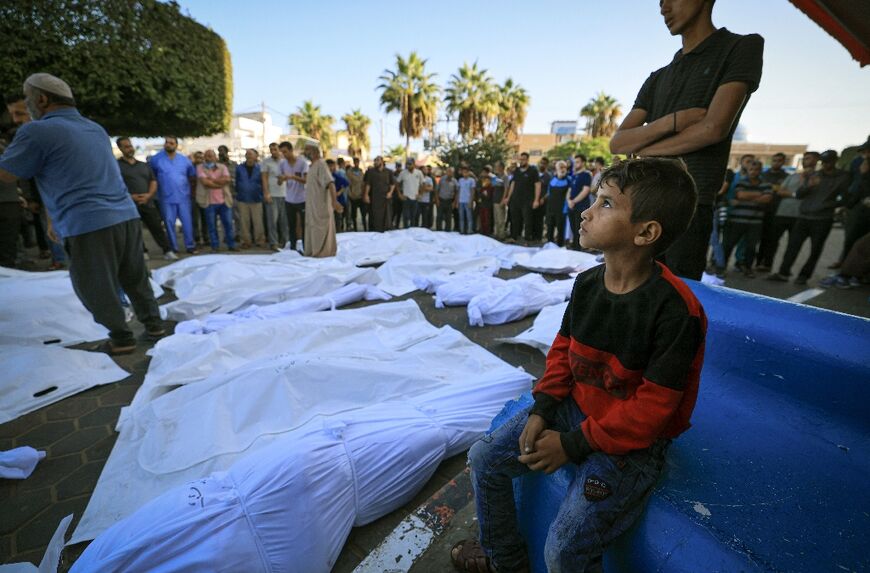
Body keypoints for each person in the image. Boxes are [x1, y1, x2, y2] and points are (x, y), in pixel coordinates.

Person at [451, 157, 705, 573]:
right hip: (575, 409)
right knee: (484, 459)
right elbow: (563, 351)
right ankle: (504, 560)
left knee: (563, 550)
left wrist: (572, 444)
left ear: (646, 232)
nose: (585, 211)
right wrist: (543, 409)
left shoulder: (677, 311)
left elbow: (652, 411)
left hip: (632, 444)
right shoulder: (587, 284)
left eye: (605, 203)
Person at [0, 73, 163, 354]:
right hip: (124, 215)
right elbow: (73, 174)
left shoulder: (36, 131)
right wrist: (53, 218)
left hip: (88, 223)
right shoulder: (95, 128)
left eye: (27, 101)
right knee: (135, 276)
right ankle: (154, 325)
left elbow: (6, 174)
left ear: (41, 99)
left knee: (95, 285)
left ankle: (122, 339)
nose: (23, 111)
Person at [611, 0, 764, 280]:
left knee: (678, 300)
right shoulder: (657, 78)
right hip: (644, 201)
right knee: (634, 290)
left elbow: (713, 128)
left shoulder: (741, 47)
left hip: (690, 203)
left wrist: (644, 150)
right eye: (659, 2)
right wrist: (675, 121)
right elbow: (618, 142)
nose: (663, 8)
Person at [768, 150, 850, 285]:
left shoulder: (842, 177)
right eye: (823, 162)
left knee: (815, 249)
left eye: (828, 162)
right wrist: (809, 185)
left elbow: (846, 199)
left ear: (835, 161)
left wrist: (828, 204)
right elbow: (799, 194)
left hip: (823, 218)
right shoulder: (815, 175)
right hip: (804, 216)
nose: (825, 165)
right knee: (792, 246)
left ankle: (804, 276)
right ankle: (783, 272)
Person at [115, 137, 175, 261]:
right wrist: (130, 196)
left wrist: (148, 195)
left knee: (157, 228)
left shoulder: (143, 165)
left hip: (147, 202)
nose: (129, 148)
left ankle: (167, 250)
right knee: (135, 231)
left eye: (130, 145)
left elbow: (153, 181)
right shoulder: (116, 166)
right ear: (120, 148)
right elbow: (115, 185)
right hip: (129, 204)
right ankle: (142, 251)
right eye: (126, 146)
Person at [761, 152, 820, 275]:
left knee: (792, 245)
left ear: (816, 161)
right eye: (804, 158)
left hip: (799, 216)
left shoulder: (818, 178)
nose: (805, 161)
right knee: (772, 241)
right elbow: (780, 192)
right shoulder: (792, 176)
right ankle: (767, 264)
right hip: (782, 213)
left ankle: (784, 270)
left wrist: (795, 192)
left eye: (808, 159)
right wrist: (795, 195)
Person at [721, 160, 772, 277]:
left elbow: (768, 198)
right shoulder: (741, 182)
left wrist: (747, 197)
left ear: (760, 171)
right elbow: (741, 195)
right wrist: (759, 195)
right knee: (729, 244)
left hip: (755, 222)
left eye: (756, 170)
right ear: (747, 170)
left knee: (751, 247)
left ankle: (748, 268)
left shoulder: (766, 184)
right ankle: (721, 267)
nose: (753, 172)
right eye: (751, 169)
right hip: (737, 220)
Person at [150, 136, 198, 255]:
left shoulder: (184, 160)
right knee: (169, 222)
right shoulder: (156, 159)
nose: (169, 144)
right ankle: (173, 247)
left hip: (183, 197)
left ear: (176, 145)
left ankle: (190, 245)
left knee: (187, 222)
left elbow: (191, 175)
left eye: (171, 143)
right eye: (167, 142)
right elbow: (152, 176)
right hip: (165, 197)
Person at [832, 137, 870, 269]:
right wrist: (846, 201)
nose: (866, 154)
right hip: (856, 203)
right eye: (865, 151)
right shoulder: (857, 162)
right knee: (851, 235)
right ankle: (845, 263)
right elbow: (850, 181)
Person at [303, 142, 342, 257]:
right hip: (312, 205)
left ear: (314, 152)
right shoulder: (312, 166)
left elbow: (331, 183)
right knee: (313, 228)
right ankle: (314, 251)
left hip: (321, 206)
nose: (305, 152)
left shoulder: (321, 164)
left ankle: (323, 253)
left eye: (307, 150)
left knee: (321, 229)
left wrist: (334, 202)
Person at [196, 149, 236, 252]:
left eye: (211, 155)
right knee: (211, 226)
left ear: (215, 157)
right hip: (209, 202)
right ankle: (215, 246)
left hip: (224, 201)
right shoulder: (200, 168)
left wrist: (211, 180)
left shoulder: (222, 167)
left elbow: (227, 179)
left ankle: (231, 245)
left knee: (228, 224)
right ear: (204, 157)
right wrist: (219, 183)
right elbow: (205, 183)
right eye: (207, 155)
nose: (209, 157)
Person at [503, 152, 541, 243]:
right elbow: (513, 184)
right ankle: (514, 237)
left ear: (527, 160)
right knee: (514, 219)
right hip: (515, 200)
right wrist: (508, 197)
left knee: (527, 221)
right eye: (520, 159)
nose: (521, 161)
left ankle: (527, 239)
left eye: (523, 159)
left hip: (527, 200)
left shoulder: (533, 170)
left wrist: (536, 200)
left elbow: (538, 185)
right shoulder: (517, 170)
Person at [278, 141, 308, 251]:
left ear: (291, 150)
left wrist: (292, 177)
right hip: (289, 199)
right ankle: (293, 247)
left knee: (304, 225)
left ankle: (306, 247)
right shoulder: (282, 164)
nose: (283, 155)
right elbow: (280, 181)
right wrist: (281, 179)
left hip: (302, 198)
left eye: (285, 152)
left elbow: (305, 180)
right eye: (282, 153)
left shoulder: (302, 163)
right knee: (291, 225)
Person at [234, 149, 266, 248]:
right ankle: (245, 241)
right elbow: (236, 181)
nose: (249, 156)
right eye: (247, 154)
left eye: (251, 154)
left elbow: (263, 182)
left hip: (257, 198)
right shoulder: (239, 168)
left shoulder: (260, 168)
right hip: (242, 198)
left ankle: (259, 240)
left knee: (258, 222)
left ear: (256, 156)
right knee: (244, 222)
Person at [261, 142, 289, 250]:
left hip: (285, 195)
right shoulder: (266, 162)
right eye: (271, 149)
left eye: (275, 149)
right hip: (272, 194)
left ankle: (286, 241)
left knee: (284, 221)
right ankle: (274, 242)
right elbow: (264, 178)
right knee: (272, 220)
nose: (273, 151)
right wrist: (266, 193)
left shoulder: (285, 162)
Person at [363, 155, 395, 232]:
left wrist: (390, 193)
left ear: (382, 161)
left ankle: (385, 233)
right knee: (374, 217)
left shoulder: (389, 172)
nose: (375, 162)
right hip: (374, 198)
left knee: (386, 217)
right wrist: (366, 195)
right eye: (375, 160)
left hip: (385, 198)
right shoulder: (371, 172)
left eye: (377, 160)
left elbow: (393, 184)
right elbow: (368, 184)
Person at [567, 154, 593, 250]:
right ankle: (574, 247)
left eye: (577, 162)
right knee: (573, 229)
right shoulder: (574, 175)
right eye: (575, 162)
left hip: (581, 207)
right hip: (571, 206)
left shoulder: (586, 174)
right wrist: (569, 200)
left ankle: (579, 249)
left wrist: (573, 201)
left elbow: (585, 191)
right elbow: (569, 190)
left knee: (579, 229)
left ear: (583, 163)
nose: (575, 164)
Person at [545, 160, 571, 247]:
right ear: (556, 169)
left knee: (561, 230)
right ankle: (549, 245)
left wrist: (566, 209)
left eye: (564, 167)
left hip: (562, 209)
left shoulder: (569, 180)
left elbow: (570, 195)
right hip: (550, 208)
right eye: (560, 167)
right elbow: (549, 193)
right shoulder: (552, 179)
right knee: (550, 228)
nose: (563, 169)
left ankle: (560, 246)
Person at [397, 159, 424, 228]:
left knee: (413, 217)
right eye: (407, 164)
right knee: (406, 217)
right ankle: (405, 231)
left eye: (410, 164)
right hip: (406, 198)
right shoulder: (403, 173)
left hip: (415, 198)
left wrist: (420, 194)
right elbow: (397, 183)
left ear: (414, 164)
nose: (408, 165)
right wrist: (400, 194)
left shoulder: (419, 173)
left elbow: (422, 184)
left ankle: (412, 232)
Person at [327, 158, 349, 231]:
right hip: (326, 204)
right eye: (329, 166)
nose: (332, 168)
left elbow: (346, 183)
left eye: (333, 166)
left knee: (338, 221)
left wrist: (339, 192)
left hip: (337, 202)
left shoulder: (336, 176)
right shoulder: (322, 177)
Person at [533, 157, 551, 241]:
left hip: (543, 201)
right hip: (533, 200)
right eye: (541, 163)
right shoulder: (535, 174)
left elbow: (549, 190)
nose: (542, 165)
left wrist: (543, 198)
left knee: (540, 220)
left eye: (544, 163)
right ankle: (532, 235)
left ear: (547, 165)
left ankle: (538, 237)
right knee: (532, 218)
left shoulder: (548, 176)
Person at [346, 156, 367, 231]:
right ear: (353, 162)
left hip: (361, 196)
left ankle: (365, 229)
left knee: (363, 214)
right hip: (353, 196)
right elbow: (347, 185)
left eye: (358, 162)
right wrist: (350, 194)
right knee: (354, 215)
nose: (356, 163)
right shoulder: (349, 172)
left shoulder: (361, 171)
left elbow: (363, 183)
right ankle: (355, 230)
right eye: (355, 162)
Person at [436, 166, 458, 232]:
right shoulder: (442, 179)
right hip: (441, 200)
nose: (449, 173)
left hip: (449, 201)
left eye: (451, 172)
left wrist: (454, 202)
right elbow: (437, 190)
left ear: (453, 173)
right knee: (439, 216)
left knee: (448, 218)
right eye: (448, 171)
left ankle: (447, 231)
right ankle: (438, 230)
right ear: (446, 172)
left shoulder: (455, 181)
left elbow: (457, 192)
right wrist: (437, 200)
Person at [457, 166, 476, 235]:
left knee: (469, 217)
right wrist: (457, 201)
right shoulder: (460, 180)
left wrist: (471, 201)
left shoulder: (472, 180)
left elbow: (472, 191)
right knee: (461, 217)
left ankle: (469, 230)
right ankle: (462, 230)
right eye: (463, 172)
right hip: (461, 201)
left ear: (468, 173)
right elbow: (458, 191)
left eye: (466, 172)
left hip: (468, 201)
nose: (464, 173)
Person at [492, 161, 509, 239]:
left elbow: (506, 189)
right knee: (496, 218)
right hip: (495, 199)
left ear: (501, 167)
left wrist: (503, 200)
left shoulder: (505, 177)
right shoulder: (496, 176)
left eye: (497, 166)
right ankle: (496, 233)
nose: (495, 168)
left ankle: (501, 235)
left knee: (501, 219)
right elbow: (493, 186)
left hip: (500, 200)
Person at [477, 169, 494, 236]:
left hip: (488, 205)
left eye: (487, 180)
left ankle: (487, 232)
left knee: (487, 219)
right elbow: (480, 195)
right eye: (484, 180)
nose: (485, 182)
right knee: (482, 218)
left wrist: (484, 194)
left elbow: (488, 196)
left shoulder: (491, 188)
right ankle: (482, 230)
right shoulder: (482, 188)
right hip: (482, 205)